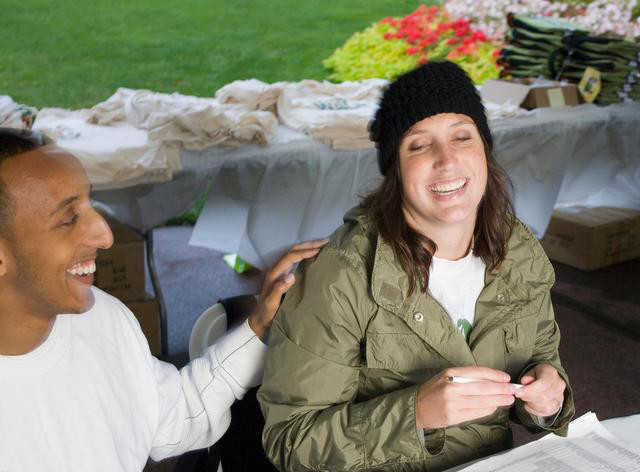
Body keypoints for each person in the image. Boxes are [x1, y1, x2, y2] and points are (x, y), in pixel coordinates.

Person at [258, 61, 575, 472]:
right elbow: (292, 440)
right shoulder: (340, 276)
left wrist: (548, 397)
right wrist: (414, 414)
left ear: (484, 149)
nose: (446, 160)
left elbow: (543, 358)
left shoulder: (517, 251)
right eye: (419, 145)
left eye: (462, 136)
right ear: (395, 169)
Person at [0, 127, 327, 471]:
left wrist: (258, 324)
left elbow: (176, 415)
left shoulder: (102, 317)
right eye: (69, 219)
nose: (105, 235)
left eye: (90, 203)